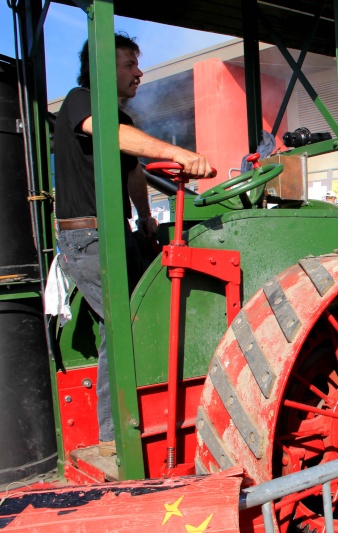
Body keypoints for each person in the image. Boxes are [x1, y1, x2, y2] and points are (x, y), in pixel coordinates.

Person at [54, 33, 214, 457]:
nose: (139, 72)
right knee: (125, 325)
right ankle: (114, 437)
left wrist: (145, 217)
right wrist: (178, 153)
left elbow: (133, 173)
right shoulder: (80, 100)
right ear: (103, 68)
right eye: (129, 64)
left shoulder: (120, 117)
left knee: (150, 310)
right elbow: (110, 135)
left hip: (117, 233)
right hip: (87, 237)